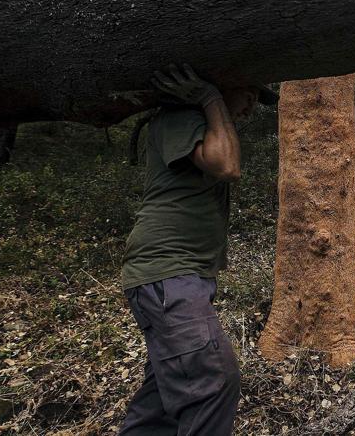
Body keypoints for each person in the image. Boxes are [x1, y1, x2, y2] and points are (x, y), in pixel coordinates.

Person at [118, 64, 276, 436]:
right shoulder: (180, 117)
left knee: (161, 399)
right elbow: (227, 165)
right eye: (247, 90)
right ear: (218, 86)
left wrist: (215, 101)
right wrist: (208, 97)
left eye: (258, 95)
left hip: (177, 277)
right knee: (212, 383)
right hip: (168, 275)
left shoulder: (199, 124)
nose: (253, 102)